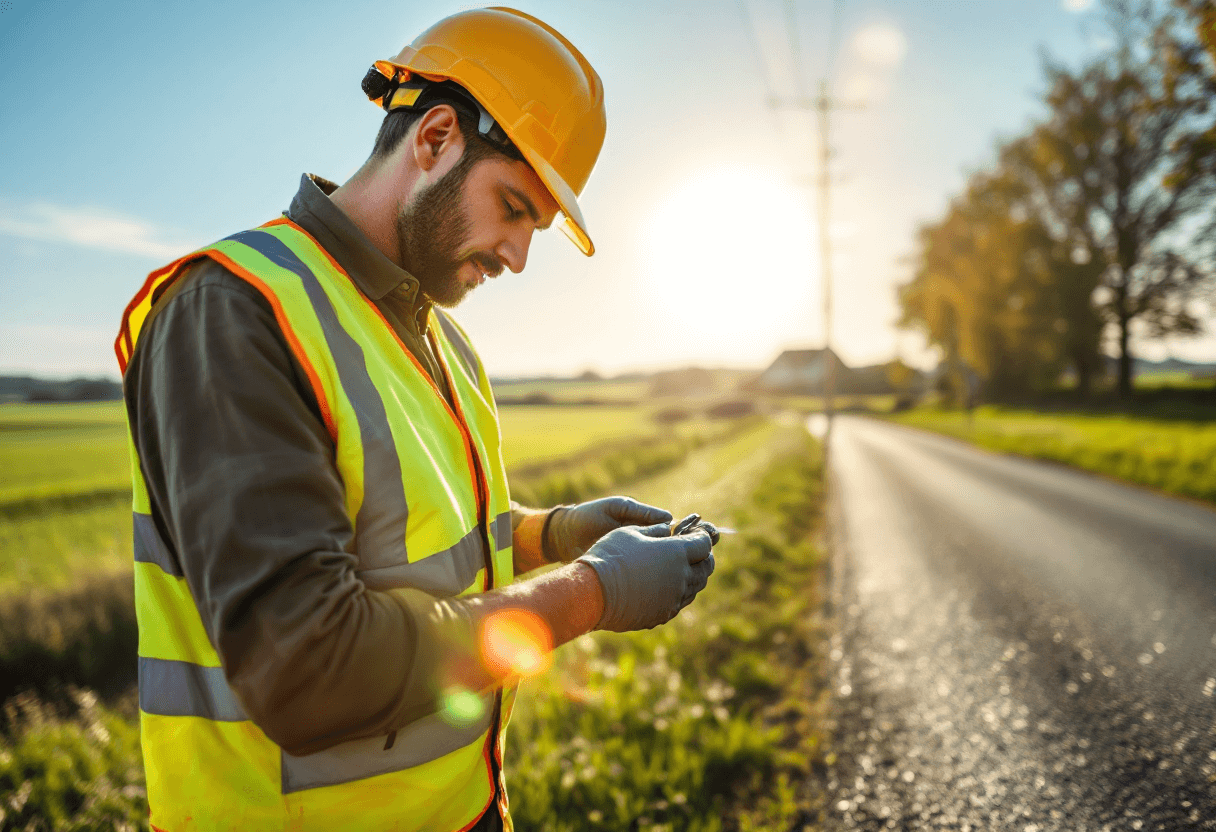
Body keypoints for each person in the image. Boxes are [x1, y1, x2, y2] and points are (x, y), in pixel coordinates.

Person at [115, 8, 717, 832]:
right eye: (512, 207)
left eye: (534, 227)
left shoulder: (443, 338)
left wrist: (556, 532)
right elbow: (311, 667)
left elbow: (416, 540)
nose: (518, 256)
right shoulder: (234, 313)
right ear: (434, 139)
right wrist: (592, 593)